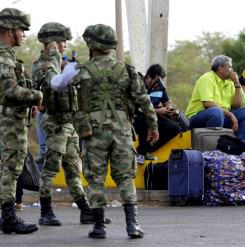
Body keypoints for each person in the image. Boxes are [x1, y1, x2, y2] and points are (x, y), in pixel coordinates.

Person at [51, 24, 158, 239]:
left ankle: (99, 227)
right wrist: (153, 126)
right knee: (126, 177)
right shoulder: (127, 71)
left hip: (93, 132)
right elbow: (144, 101)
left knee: (96, 178)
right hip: (122, 130)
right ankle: (132, 225)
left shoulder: (81, 71)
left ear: (91, 44)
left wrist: (62, 65)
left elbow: (57, 86)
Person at [32, 22, 107, 226]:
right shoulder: (43, 65)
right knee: (51, 168)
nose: (64, 45)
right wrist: (58, 61)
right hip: (54, 123)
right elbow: (52, 83)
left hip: (70, 123)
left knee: (74, 168)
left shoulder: (63, 64)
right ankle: (45, 211)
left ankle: (85, 210)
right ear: (52, 43)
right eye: (61, 42)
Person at [0, 7, 42, 234]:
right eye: (21, 30)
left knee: (9, 169)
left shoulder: (9, 57)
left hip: (13, 121)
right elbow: (10, 91)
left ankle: (6, 216)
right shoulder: (3, 57)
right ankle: (8, 217)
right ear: (9, 31)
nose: (24, 35)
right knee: (10, 169)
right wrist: (36, 96)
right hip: (10, 123)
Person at [185, 55, 245, 140]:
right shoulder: (207, 78)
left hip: (222, 117)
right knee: (216, 112)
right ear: (220, 68)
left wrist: (237, 84)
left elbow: (237, 105)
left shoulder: (230, 82)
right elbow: (208, 104)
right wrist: (231, 115)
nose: (232, 70)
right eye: (229, 67)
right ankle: (214, 147)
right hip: (198, 117)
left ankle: (238, 145)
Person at [134, 64, 180, 163]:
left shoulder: (160, 88)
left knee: (174, 128)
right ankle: (141, 153)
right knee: (145, 122)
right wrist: (158, 111)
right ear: (149, 76)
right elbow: (138, 108)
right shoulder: (137, 85)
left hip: (155, 117)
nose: (158, 83)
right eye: (157, 80)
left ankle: (147, 148)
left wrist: (170, 108)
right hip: (138, 116)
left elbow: (167, 102)